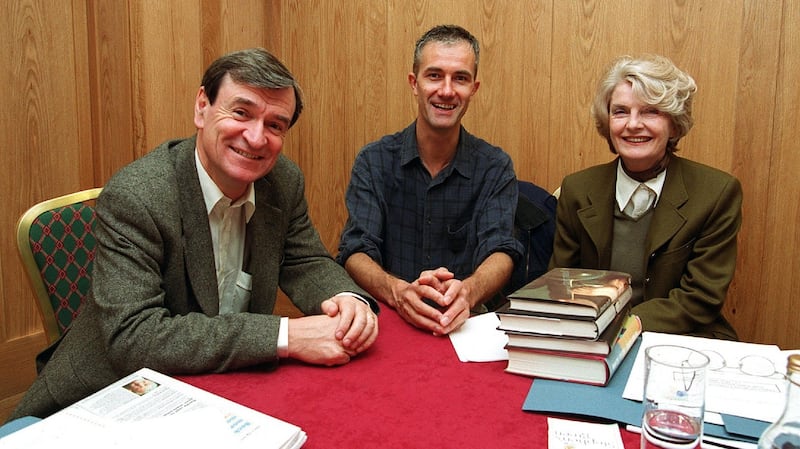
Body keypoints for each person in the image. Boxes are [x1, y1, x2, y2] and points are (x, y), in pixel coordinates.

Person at [8, 48, 379, 420]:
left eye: (275, 125)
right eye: (241, 113)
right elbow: (135, 337)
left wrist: (346, 300)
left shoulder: (281, 180)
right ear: (202, 107)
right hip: (110, 395)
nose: (255, 137)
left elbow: (306, 260)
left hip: (218, 388)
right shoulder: (139, 196)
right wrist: (286, 336)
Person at [336, 25, 523, 336]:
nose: (447, 91)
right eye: (434, 75)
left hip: (468, 326)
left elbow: (501, 250)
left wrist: (469, 291)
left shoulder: (495, 166)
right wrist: (396, 290)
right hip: (389, 320)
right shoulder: (374, 160)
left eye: (460, 78)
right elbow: (355, 250)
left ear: (474, 89)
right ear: (414, 83)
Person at [550, 54, 741, 339]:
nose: (633, 124)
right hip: (592, 339)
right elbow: (562, 285)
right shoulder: (578, 189)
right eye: (621, 111)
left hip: (683, 339)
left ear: (674, 125)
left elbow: (701, 299)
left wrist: (622, 327)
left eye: (650, 111)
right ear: (607, 121)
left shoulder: (716, 192)